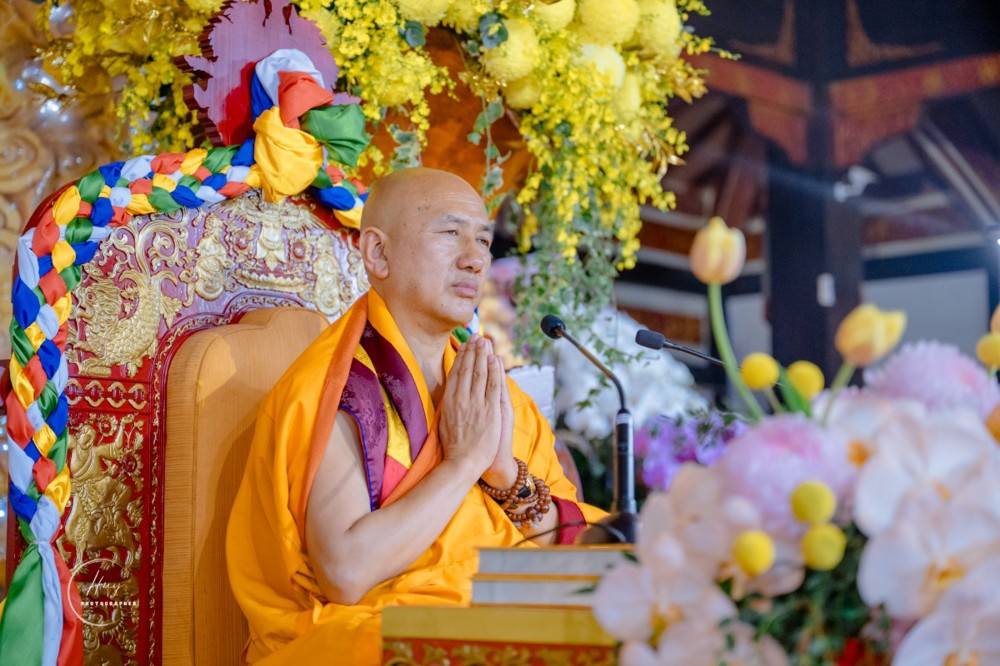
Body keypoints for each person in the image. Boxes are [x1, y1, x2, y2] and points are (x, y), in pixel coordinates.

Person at [226, 167, 605, 664]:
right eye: (450, 233)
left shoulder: (496, 395)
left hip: (494, 604)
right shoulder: (339, 391)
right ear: (377, 253)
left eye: (484, 240)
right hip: (367, 634)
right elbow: (347, 574)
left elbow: (572, 547)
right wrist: (463, 464)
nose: (475, 259)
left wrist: (504, 476)